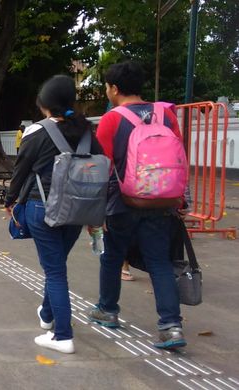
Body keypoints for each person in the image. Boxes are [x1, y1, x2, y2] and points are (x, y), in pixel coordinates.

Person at [87, 61, 186, 350]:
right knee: (159, 262)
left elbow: (102, 167)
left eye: (107, 87)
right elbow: (179, 158)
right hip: (163, 200)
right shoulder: (166, 113)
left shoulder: (112, 119)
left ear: (114, 88)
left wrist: (96, 210)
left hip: (122, 202)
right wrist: (181, 200)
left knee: (112, 257)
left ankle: (107, 309)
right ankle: (171, 327)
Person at [4, 75, 103, 354]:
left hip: (42, 208)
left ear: (44, 104)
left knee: (55, 271)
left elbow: (20, 169)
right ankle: (47, 315)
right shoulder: (87, 132)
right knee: (57, 265)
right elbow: (101, 164)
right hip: (78, 209)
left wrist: (10, 200)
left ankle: (63, 336)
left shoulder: (37, 131)